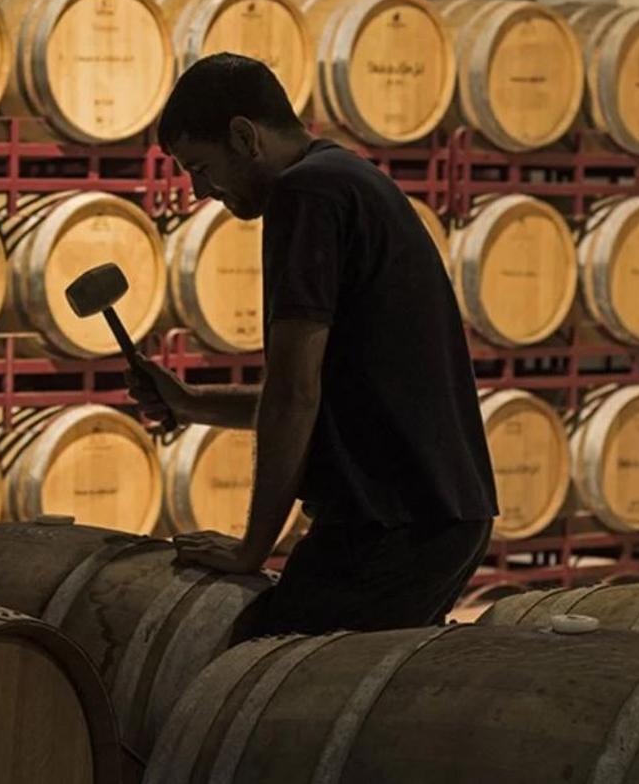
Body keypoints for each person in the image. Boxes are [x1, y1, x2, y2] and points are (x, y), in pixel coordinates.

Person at [127, 52, 498, 636]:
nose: (199, 190)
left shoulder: (307, 194)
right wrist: (191, 403)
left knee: (257, 681)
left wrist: (252, 548)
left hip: (390, 525)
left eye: (200, 167)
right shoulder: (345, 177)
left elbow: (294, 393)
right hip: (435, 517)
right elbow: (332, 397)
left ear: (245, 137)